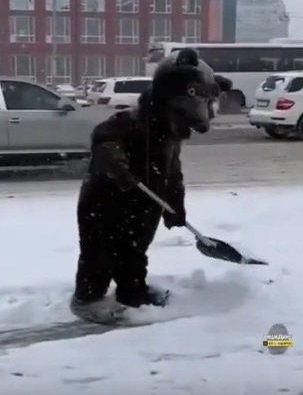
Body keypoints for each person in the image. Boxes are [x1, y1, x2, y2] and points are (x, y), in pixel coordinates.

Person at [71, 48, 232, 318]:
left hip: (143, 203)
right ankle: (88, 301)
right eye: (206, 101)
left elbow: (173, 172)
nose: (208, 111)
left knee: (134, 253)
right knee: (99, 254)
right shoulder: (135, 121)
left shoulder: (170, 132)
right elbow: (103, 137)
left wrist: (176, 206)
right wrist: (115, 161)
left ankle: (132, 294)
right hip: (105, 201)